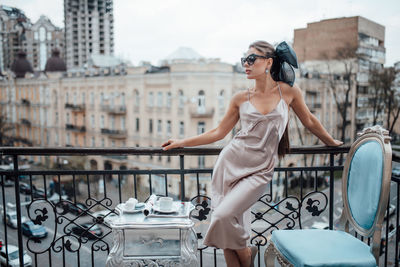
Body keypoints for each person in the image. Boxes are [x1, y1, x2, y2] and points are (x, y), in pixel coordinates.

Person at [161, 40, 343, 267]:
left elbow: (309, 121)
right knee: (229, 228)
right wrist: (182, 142)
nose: (245, 64)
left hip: (260, 170)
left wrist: (331, 142)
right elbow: (219, 132)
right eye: (243, 60)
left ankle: (247, 252)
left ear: (268, 62)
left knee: (221, 217)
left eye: (251, 59)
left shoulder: (288, 91)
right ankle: (246, 254)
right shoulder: (240, 98)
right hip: (229, 165)